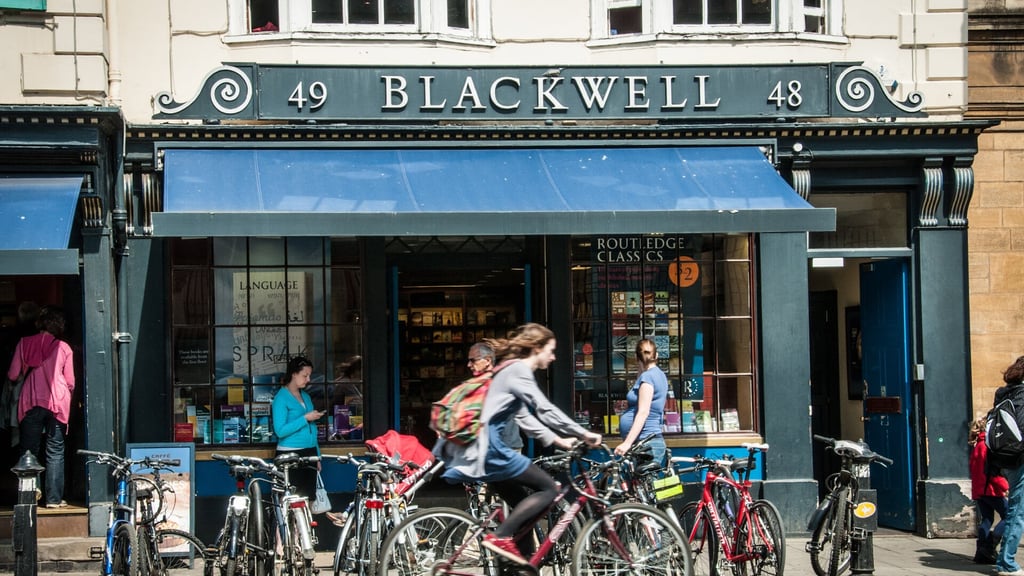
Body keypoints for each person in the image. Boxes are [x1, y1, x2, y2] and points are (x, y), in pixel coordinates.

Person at [435, 323, 602, 565]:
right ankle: (500, 537)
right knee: (550, 489)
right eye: (551, 350)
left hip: (483, 450)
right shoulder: (518, 371)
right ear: (536, 348)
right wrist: (583, 433)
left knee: (523, 504)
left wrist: (560, 441)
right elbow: (544, 409)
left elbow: (526, 419)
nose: (554, 357)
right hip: (491, 449)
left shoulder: (510, 371)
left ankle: (521, 563)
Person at [7, 306, 75, 508]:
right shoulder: (63, 347)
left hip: (31, 400)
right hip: (57, 403)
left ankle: (29, 496)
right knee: (55, 451)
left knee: (29, 450)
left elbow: (12, 374)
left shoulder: (24, 343)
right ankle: (53, 500)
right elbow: (70, 381)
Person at [272, 356, 324, 502]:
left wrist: (318, 456)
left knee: (309, 498)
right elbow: (280, 430)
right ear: (294, 374)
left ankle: (306, 525)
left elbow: (312, 429)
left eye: (309, 375)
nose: (308, 379)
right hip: (290, 453)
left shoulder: (306, 396)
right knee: (292, 499)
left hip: (310, 452)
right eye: (305, 375)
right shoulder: (281, 398)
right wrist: (305, 418)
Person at [614, 338, 668, 466]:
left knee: (645, 485)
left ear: (636, 357)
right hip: (647, 442)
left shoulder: (648, 378)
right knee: (644, 485)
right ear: (657, 355)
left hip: (646, 442)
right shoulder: (658, 375)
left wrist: (627, 443)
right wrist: (641, 367)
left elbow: (643, 412)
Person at [994, 355, 1024, 576]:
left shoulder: (1005, 392)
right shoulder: (1022, 395)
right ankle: (1006, 562)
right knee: (1017, 510)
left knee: (1017, 506)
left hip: (1006, 457)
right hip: (1020, 459)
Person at [969, 415, 1008, 564]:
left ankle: (981, 552)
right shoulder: (988, 446)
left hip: (979, 490)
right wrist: (1005, 486)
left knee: (987, 519)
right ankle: (990, 545)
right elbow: (992, 471)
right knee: (1009, 515)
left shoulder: (977, 446)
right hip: (990, 489)